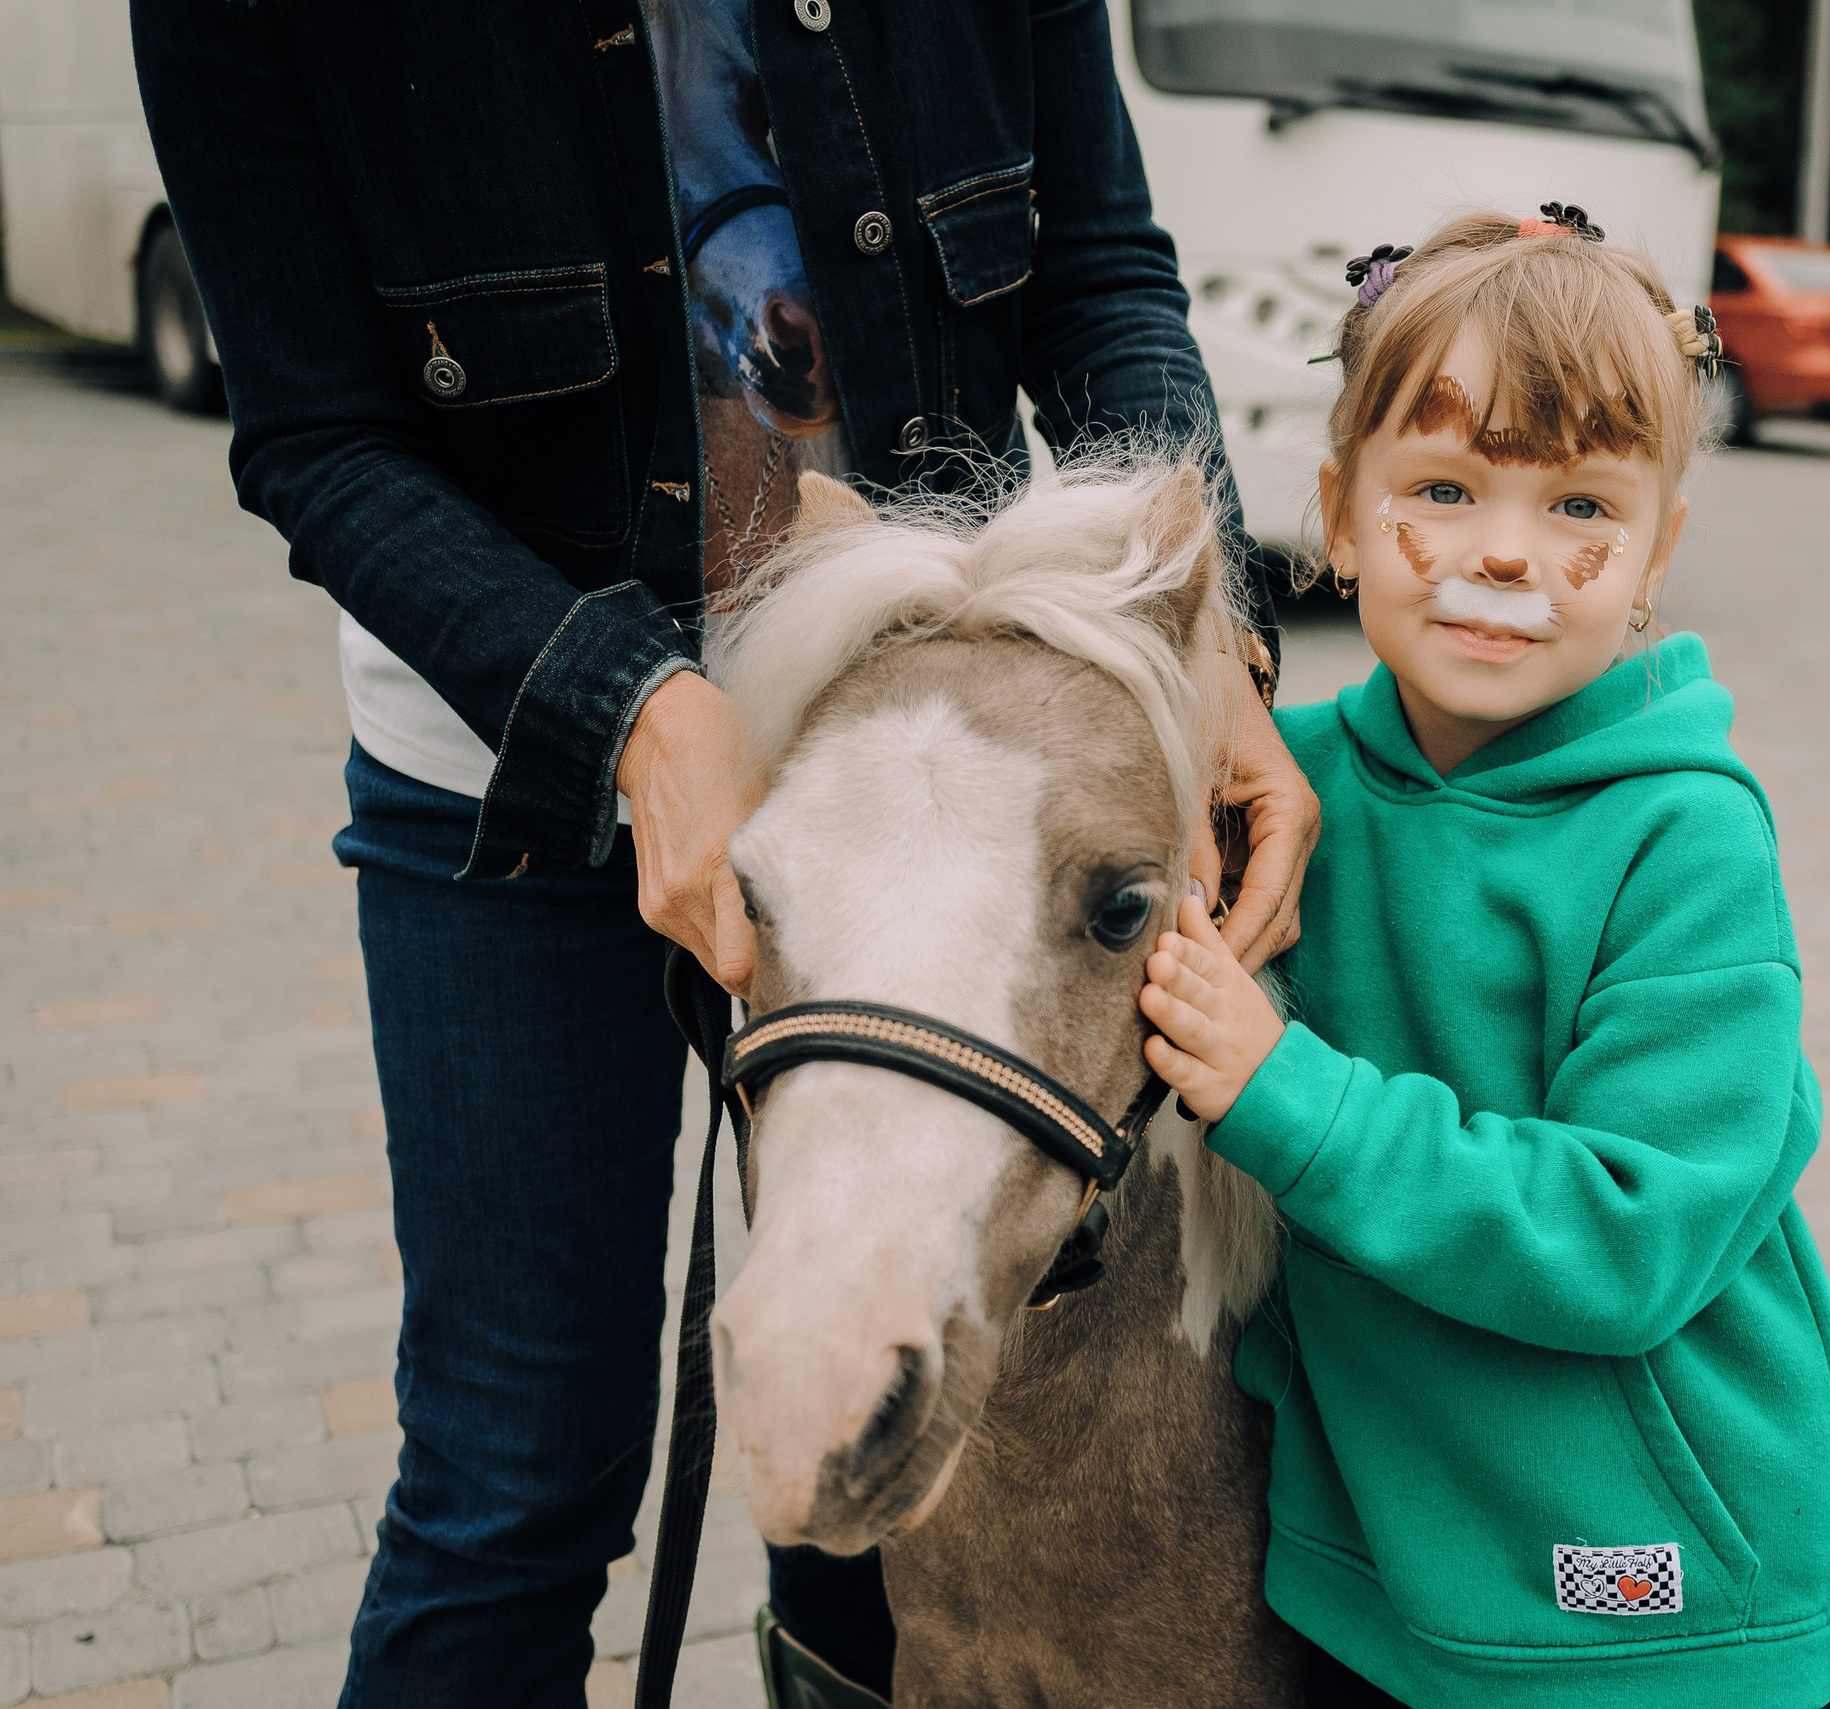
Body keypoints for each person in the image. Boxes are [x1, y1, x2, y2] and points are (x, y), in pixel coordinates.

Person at [128, 5, 1318, 1706]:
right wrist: (630, 705)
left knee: (869, 1450)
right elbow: (319, 437)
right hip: (511, 775)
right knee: (513, 1476)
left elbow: (1101, 270)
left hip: (913, 756)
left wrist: (1213, 655)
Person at [1135, 209, 1830, 1709]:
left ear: (1659, 550)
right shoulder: (1290, 794)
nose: (1509, 551)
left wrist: (1293, 1095)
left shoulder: (1687, 841)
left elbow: (1627, 1239)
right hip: (1376, 1569)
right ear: (1338, 514)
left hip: (1652, 1596)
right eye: (1446, 486)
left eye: (1584, 504)